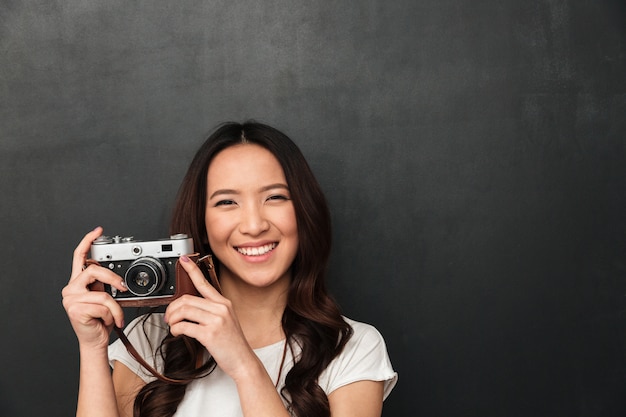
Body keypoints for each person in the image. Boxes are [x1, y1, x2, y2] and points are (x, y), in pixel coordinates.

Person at [62, 121, 397, 417]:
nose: (253, 225)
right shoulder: (151, 338)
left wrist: (243, 364)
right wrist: (91, 348)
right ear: (203, 226)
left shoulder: (354, 348)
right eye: (227, 202)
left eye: (275, 197)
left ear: (304, 212)